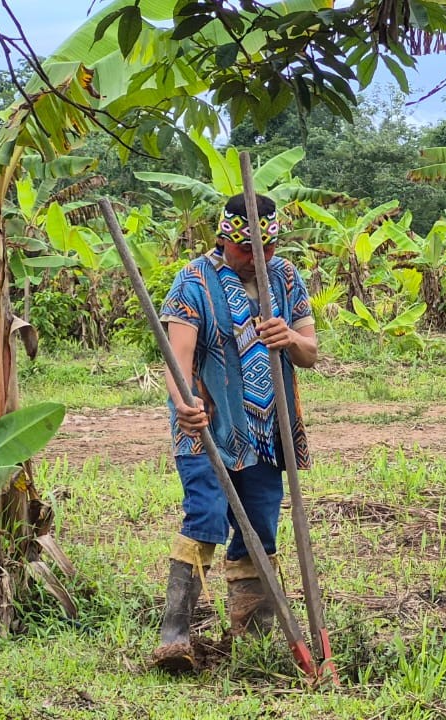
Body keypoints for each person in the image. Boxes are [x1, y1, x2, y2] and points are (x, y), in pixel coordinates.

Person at [151, 193, 318, 673]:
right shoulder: (193, 281)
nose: (257, 259)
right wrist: (186, 404)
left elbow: (310, 353)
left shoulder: (285, 278)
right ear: (224, 240)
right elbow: (178, 358)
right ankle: (175, 635)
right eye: (248, 250)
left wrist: (290, 338)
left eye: (267, 249)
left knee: (260, 526)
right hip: (207, 426)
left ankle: (253, 631)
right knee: (205, 514)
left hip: (267, 429)